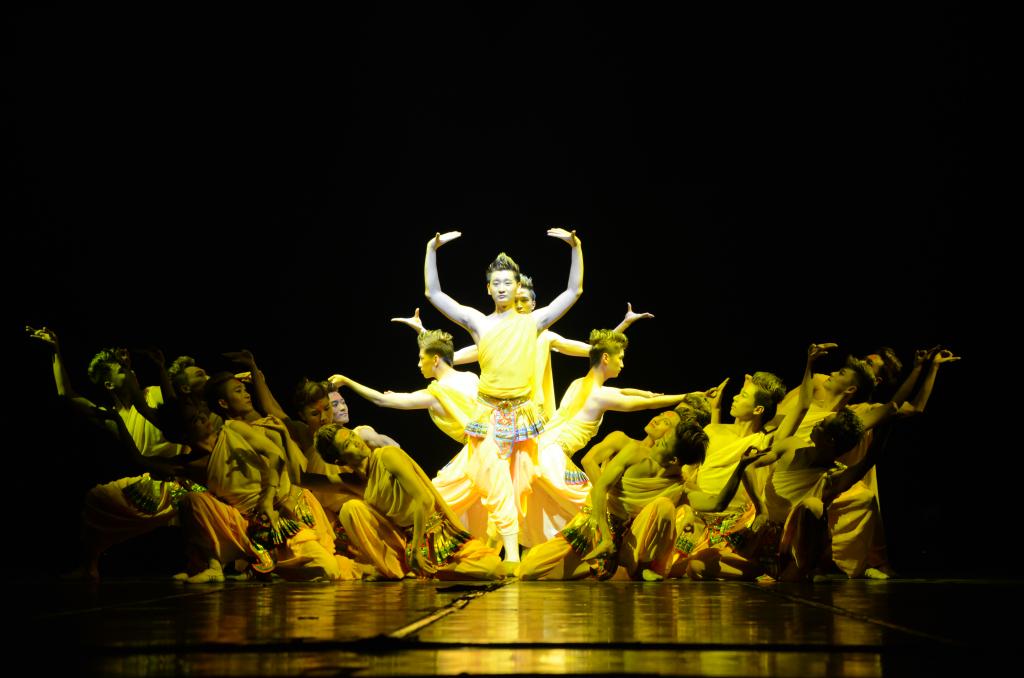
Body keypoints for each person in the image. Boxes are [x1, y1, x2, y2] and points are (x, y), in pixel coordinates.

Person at [422, 229, 583, 562]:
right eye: (496, 283)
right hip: (489, 417)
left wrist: (575, 248)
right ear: (488, 288)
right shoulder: (479, 323)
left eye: (507, 283)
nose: (501, 288)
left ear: (517, 286)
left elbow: (573, 291)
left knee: (524, 484)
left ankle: (525, 546)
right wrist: (430, 250)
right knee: (494, 483)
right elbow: (433, 293)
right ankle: (510, 556)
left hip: (524, 416)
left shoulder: (534, 323)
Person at [315, 425, 504, 580]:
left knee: (490, 569)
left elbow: (424, 499)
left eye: (352, 435)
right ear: (339, 460)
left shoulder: (387, 456)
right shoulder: (354, 481)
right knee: (350, 509)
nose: (356, 441)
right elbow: (305, 480)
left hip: (434, 533)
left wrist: (416, 548)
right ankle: (396, 568)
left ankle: (432, 570)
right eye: (347, 444)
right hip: (407, 541)